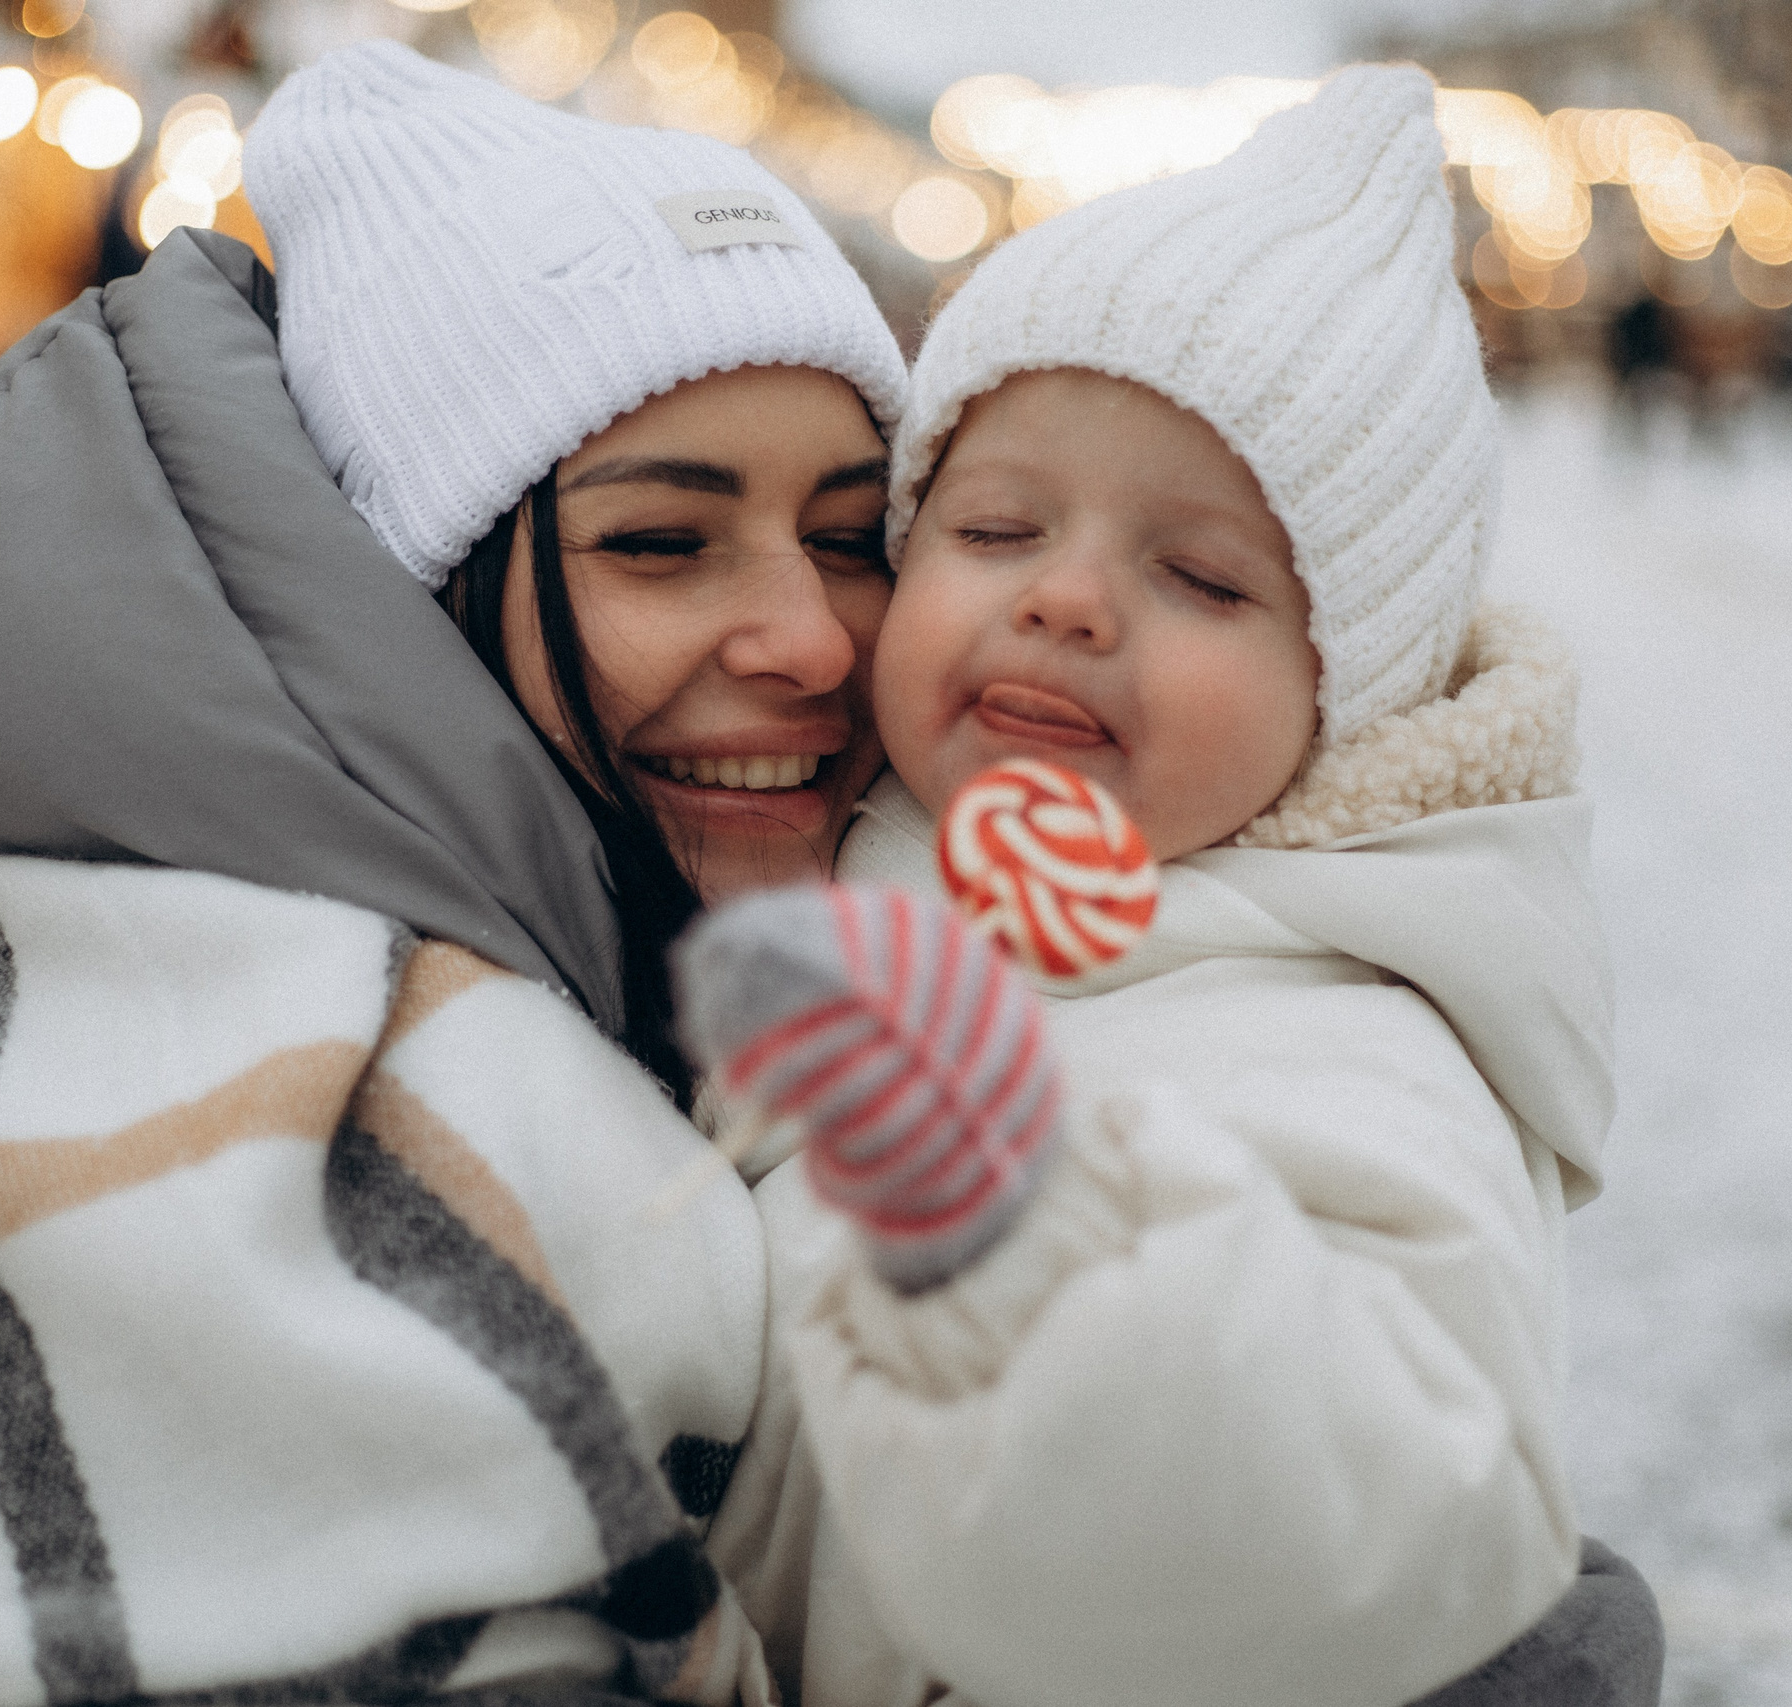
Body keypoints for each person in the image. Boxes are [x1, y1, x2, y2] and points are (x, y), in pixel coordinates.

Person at [0, 42, 905, 1706]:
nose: (808, 638)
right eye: (660, 541)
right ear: (408, 586)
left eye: (856, 535)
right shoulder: (409, 1149)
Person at [680, 67, 1663, 1707]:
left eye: (1201, 575)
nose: (1067, 600)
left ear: (1352, 691)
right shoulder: (801, 849)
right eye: (995, 528)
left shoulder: (1361, 1043)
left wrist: (1068, 1262)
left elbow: (1341, 1540)